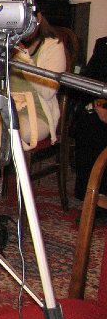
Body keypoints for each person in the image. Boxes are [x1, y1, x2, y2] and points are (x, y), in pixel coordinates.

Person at [9, 7, 67, 149]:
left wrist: (22, 57)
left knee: (8, 133)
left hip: (37, 114)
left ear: (38, 18)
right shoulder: (7, 43)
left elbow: (48, 91)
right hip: (7, 110)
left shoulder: (53, 46)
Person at [73, 36, 107, 200]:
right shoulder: (104, 45)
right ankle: (91, 196)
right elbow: (89, 84)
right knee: (88, 123)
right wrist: (97, 104)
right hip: (103, 106)